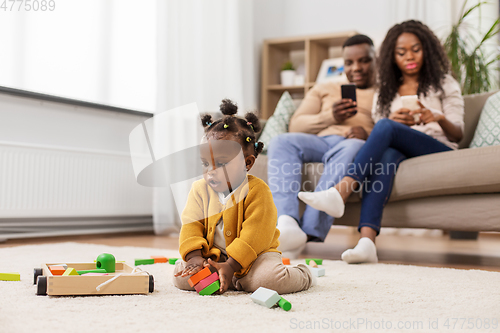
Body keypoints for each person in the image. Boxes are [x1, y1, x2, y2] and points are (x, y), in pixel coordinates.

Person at [299, 20, 464, 264]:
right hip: (402, 148)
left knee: (386, 126)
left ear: (427, 49)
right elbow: (381, 135)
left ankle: (340, 191)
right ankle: (367, 243)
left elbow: (458, 134)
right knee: (385, 153)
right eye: (401, 52)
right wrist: (395, 123)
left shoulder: (444, 83)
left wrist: (437, 117)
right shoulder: (386, 91)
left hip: (437, 147)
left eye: (415, 49)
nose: (409, 56)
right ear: (392, 56)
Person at [173, 99, 314, 294]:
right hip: (215, 257)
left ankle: (303, 275)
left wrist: (231, 266)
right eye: (206, 163)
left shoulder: (258, 191)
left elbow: (256, 234)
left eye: (221, 164)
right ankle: (230, 279)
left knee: (270, 280)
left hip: (256, 256)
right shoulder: (199, 189)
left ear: (247, 163)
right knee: (181, 276)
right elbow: (191, 225)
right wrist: (195, 258)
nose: (211, 172)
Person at [268, 34, 377, 258]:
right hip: (320, 141)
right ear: (343, 64)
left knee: (353, 145)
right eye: (349, 62)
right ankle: (287, 222)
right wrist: (330, 116)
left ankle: (309, 233)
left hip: (353, 143)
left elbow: (390, 130)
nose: (356, 67)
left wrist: (367, 133)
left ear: (375, 60)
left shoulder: (384, 92)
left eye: (364, 60)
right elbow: (295, 124)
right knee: (281, 141)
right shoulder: (325, 87)